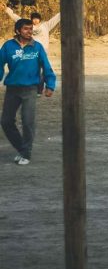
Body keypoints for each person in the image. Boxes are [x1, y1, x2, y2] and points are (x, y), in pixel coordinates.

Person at [1, 18, 57, 165]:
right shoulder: (8, 46)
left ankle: (26, 153)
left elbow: (47, 67)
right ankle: (22, 148)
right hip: (12, 89)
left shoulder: (37, 47)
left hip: (30, 89)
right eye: (26, 29)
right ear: (18, 30)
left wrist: (50, 85)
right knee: (6, 121)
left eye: (31, 29)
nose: (29, 32)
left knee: (27, 122)